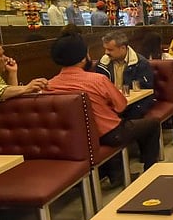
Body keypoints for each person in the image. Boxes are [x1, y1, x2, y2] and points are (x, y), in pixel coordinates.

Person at [46, 34, 160, 182]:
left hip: (73, 139)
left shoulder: (49, 85)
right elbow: (121, 105)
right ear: (83, 58)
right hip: (108, 134)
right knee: (152, 124)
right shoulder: (97, 80)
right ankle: (150, 172)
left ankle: (116, 174)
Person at [94, 30, 155, 119]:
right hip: (110, 104)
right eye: (105, 49)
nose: (106, 52)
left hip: (133, 104)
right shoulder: (102, 63)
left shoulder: (140, 63)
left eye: (110, 50)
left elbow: (145, 90)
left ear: (123, 48)